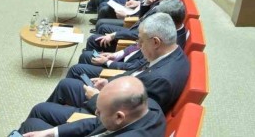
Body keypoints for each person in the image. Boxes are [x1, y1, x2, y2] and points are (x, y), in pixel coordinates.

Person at [18, 13, 188, 135]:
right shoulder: (166, 57)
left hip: (110, 111)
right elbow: (106, 118)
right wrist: (109, 85)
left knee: (33, 121)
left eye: (141, 42)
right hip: (112, 102)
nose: (138, 45)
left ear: (156, 42)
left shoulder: (162, 79)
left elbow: (108, 118)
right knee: (52, 100)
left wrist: (97, 99)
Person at [19, 77, 166, 137]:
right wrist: (51, 132)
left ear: (119, 116)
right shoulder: (149, 106)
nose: (95, 113)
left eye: (99, 111)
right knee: (36, 122)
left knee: (29, 126)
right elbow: (96, 123)